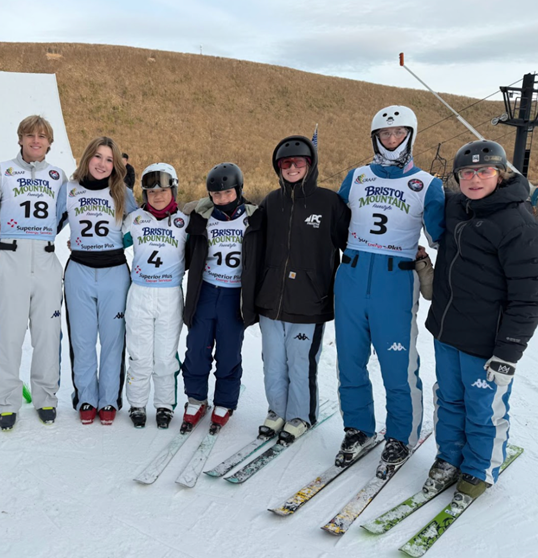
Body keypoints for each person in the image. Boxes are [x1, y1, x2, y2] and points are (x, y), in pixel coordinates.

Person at [424, 140, 538, 500]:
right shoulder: (457, 208)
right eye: (466, 173)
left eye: (484, 171)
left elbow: (530, 297)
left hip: (487, 341)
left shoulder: (521, 226)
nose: (475, 179)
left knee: (483, 408)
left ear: (501, 173)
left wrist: (508, 353)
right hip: (447, 330)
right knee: (448, 399)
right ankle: (449, 456)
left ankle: (479, 467)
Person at [334, 105, 445, 473]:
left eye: (399, 133)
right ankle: (358, 428)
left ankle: (401, 434)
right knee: (349, 361)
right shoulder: (357, 176)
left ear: (410, 135)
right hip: (351, 274)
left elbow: (442, 235)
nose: (392, 140)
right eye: (385, 134)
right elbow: (334, 224)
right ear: (375, 137)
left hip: (394, 279)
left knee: (397, 364)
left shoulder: (427, 184)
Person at [242, 136, 350, 442]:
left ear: (310, 165)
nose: (291, 168)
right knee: (273, 362)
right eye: (285, 163)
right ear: (278, 168)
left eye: (298, 162)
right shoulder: (272, 202)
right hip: (271, 300)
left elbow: (351, 245)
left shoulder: (329, 203)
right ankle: (277, 411)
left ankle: (301, 415)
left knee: (301, 364)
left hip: (309, 303)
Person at [0, 115, 68, 430]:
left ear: (49, 142)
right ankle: (6, 403)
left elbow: (66, 216)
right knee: (9, 338)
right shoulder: (0, 171)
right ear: (20, 139)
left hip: (46, 262)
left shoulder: (58, 176)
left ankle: (46, 399)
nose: (36, 141)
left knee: (48, 336)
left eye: (41, 136)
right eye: (30, 135)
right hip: (10, 262)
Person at [64, 136, 138, 425]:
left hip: (114, 272)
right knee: (82, 341)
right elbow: (50, 223)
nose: (103, 164)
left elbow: (141, 229)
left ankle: (108, 398)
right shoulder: (69, 190)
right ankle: (85, 397)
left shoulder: (123, 192)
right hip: (79, 271)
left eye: (109, 159)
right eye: (98, 157)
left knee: (112, 341)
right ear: (87, 158)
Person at [181, 163, 258, 432]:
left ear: (238, 190)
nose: (222, 199)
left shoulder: (253, 218)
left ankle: (225, 401)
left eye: (227, 193)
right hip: (205, 291)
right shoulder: (202, 216)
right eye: (216, 195)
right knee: (197, 348)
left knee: (228, 352)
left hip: (233, 296)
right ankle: (196, 397)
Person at [123, 163, 188, 429]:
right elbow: (109, 243)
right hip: (139, 292)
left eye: (163, 190)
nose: (157, 196)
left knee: (164, 356)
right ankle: (137, 404)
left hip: (170, 294)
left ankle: (164, 405)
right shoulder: (134, 220)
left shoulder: (186, 222)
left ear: (173, 189)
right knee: (139, 354)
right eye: (151, 192)